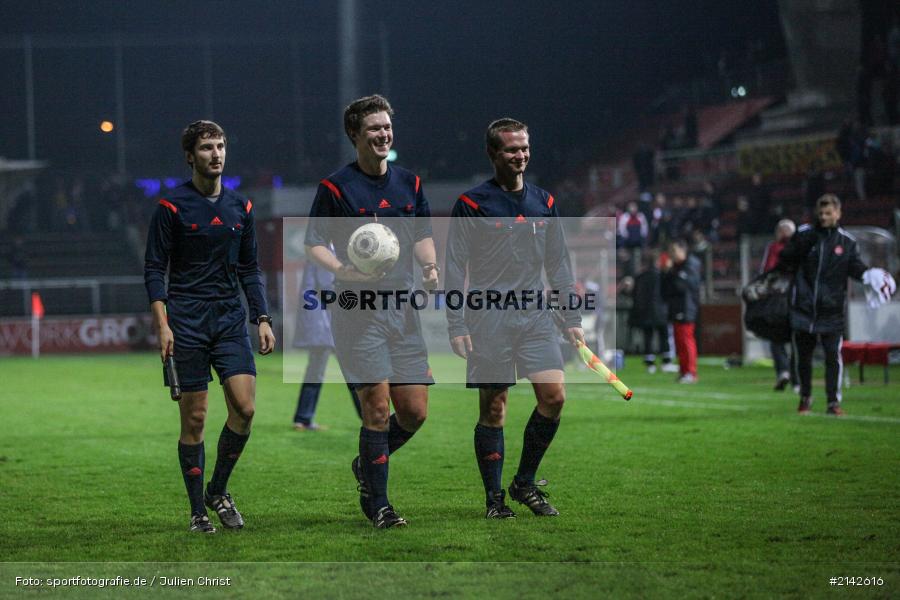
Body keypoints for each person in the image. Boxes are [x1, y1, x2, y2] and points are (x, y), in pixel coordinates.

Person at [304, 94, 438, 529]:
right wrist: (342, 269)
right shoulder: (335, 188)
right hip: (357, 309)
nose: (383, 135)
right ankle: (379, 504)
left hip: (402, 308)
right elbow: (313, 242)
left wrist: (430, 266)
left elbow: (422, 234)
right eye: (374, 128)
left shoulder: (410, 184)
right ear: (355, 135)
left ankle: (366, 463)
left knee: (414, 412)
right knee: (376, 408)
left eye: (387, 127)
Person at [445, 118, 584, 519]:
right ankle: (494, 500)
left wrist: (571, 316)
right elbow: (454, 268)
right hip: (487, 318)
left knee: (554, 397)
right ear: (493, 154)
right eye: (511, 149)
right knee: (494, 408)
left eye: (524, 148)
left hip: (535, 317)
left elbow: (558, 264)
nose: (520, 155)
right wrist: (456, 323)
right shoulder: (472, 204)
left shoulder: (545, 202)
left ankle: (524, 482)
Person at [144, 120, 276, 534]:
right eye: (206, 147)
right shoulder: (171, 208)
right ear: (190, 156)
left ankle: (217, 490)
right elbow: (154, 269)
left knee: (245, 409)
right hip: (187, 322)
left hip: (229, 319)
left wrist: (262, 317)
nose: (215, 153)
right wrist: (163, 325)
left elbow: (250, 268)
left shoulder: (241, 207)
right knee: (195, 419)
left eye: (220, 146)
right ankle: (197, 512)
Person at [776, 195, 869, 416]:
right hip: (803, 307)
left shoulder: (846, 242)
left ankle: (833, 402)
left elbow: (855, 267)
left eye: (828, 213)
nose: (824, 217)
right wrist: (801, 245)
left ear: (838, 213)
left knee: (832, 357)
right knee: (803, 357)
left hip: (832, 309)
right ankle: (805, 397)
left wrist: (869, 275)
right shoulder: (805, 234)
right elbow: (785, 258)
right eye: (821, 213)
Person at [291, 255, 362, 430]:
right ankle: (370, 415)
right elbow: (327, 287)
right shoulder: (324, 255)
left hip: (323, 323)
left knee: (318, 372)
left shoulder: (319, 254)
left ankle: (303, 418)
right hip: (324, 323)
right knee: (352, 371)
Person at [760, 219, 797, 391]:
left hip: (793, 298)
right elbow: (765, 271)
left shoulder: (797, 248)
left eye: (785, 230)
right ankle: (785, 373)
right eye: (781, 230)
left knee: (794, 338)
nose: (782, 234)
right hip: (779, 299)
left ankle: (793, 376)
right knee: (777, 336)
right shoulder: (773, 248)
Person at [661, 239, 701, 383]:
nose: (671, 254)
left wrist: (672, 272)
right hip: (677, 307)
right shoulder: (676, 267)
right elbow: (666, 288)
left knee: (686, 340)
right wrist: (667, 272)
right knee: (680, 342)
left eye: (674, 250)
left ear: (682, 250)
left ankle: (691, 372)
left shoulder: (691, 264)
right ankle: (684, 371)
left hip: (686, 307)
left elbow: (683, 286)